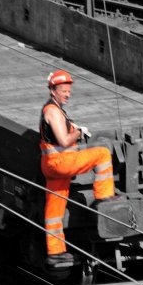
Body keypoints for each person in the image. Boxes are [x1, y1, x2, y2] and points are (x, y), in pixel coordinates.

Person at [39, 69, 116, 269]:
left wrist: (74, 127)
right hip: (62, 162)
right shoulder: (52, 111)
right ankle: (104, 199)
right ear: (53, 90)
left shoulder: (55, 110)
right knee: (102, 154)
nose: (68, 94)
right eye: (64, 91)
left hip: (53, 166)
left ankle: (55, 253)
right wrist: (79, 133)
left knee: (54, 211)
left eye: (69, 91)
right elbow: (64, 140)